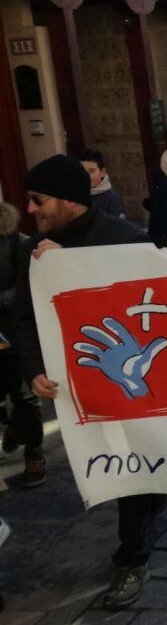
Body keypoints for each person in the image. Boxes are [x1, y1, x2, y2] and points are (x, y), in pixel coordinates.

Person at [14, 154, 161, 608]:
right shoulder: (34, 249)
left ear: (68, 200)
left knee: (127, 463)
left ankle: (131, 558)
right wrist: (33, 367)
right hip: (72, 385)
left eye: (39, 200)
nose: (32, 210)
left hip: (127, 378)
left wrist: (72, 265)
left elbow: (148, 297)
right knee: (114, 461)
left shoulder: (125, 238)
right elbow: (24, 316)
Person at [0, 203, 41, 483]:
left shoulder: (19, 243)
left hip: (16, 334)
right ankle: (13, 426)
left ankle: (35, 453)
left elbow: (30, 287)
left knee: (26, 395)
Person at [80, 149, 127, 219]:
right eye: (82, 171)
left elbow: (118, 226)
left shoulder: (112, 199)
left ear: (102, 172)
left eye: (92, 171)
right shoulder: (76, 195)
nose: (87, 175)